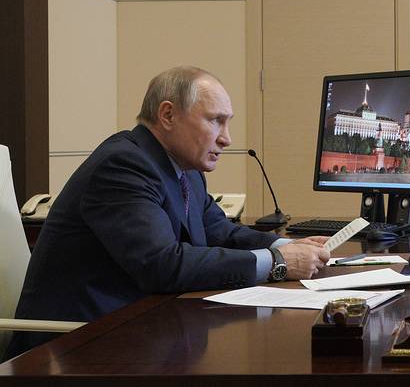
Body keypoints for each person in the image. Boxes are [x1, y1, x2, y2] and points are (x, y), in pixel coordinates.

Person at [6, 67, 332, 360]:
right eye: (215, 120)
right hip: (71, 350)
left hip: (135, 328)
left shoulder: (185, 170)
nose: (226, 138)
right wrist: (278, 264)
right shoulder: (122, 166)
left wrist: (286, 247)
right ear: (167, 115)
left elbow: (221, 232)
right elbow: (162, 264)